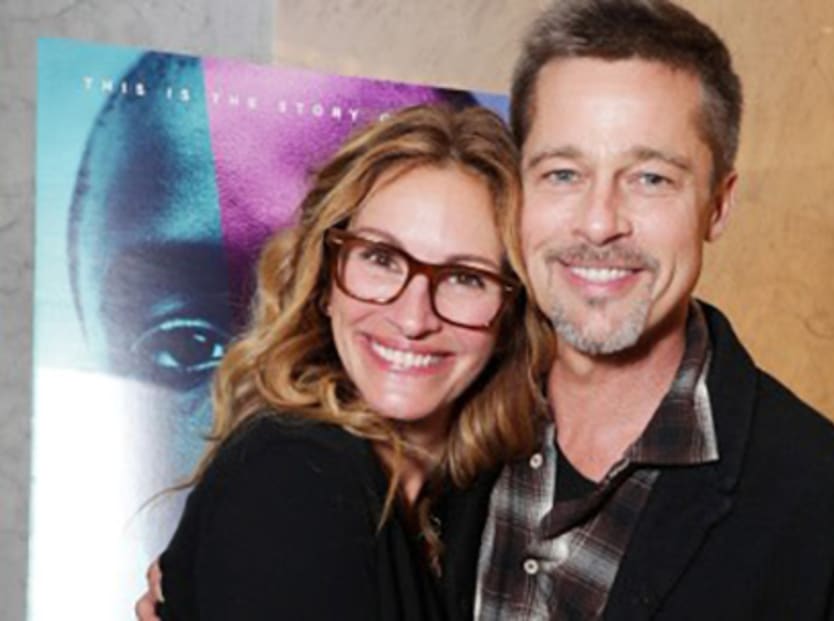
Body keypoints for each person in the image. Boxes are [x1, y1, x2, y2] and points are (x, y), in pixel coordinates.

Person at [141, 1, 834, 618]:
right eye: (563, 173)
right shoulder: (430, 437)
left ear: (718, 202)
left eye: (650, 178)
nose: (600, 222)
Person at [145, 104, 545, 619]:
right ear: (325, 281)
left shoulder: (462, 506)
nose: (413, 318)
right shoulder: (292, 476)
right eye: (381, 258)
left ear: (510, 317)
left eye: (466, 278)